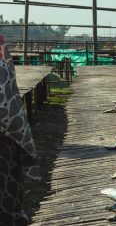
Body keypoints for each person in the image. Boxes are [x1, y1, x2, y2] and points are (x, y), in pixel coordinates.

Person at [0, 34, 39, 226]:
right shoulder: (2, 68)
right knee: (7, 192)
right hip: (4, 142)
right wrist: (23, 138)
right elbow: (7, 107)